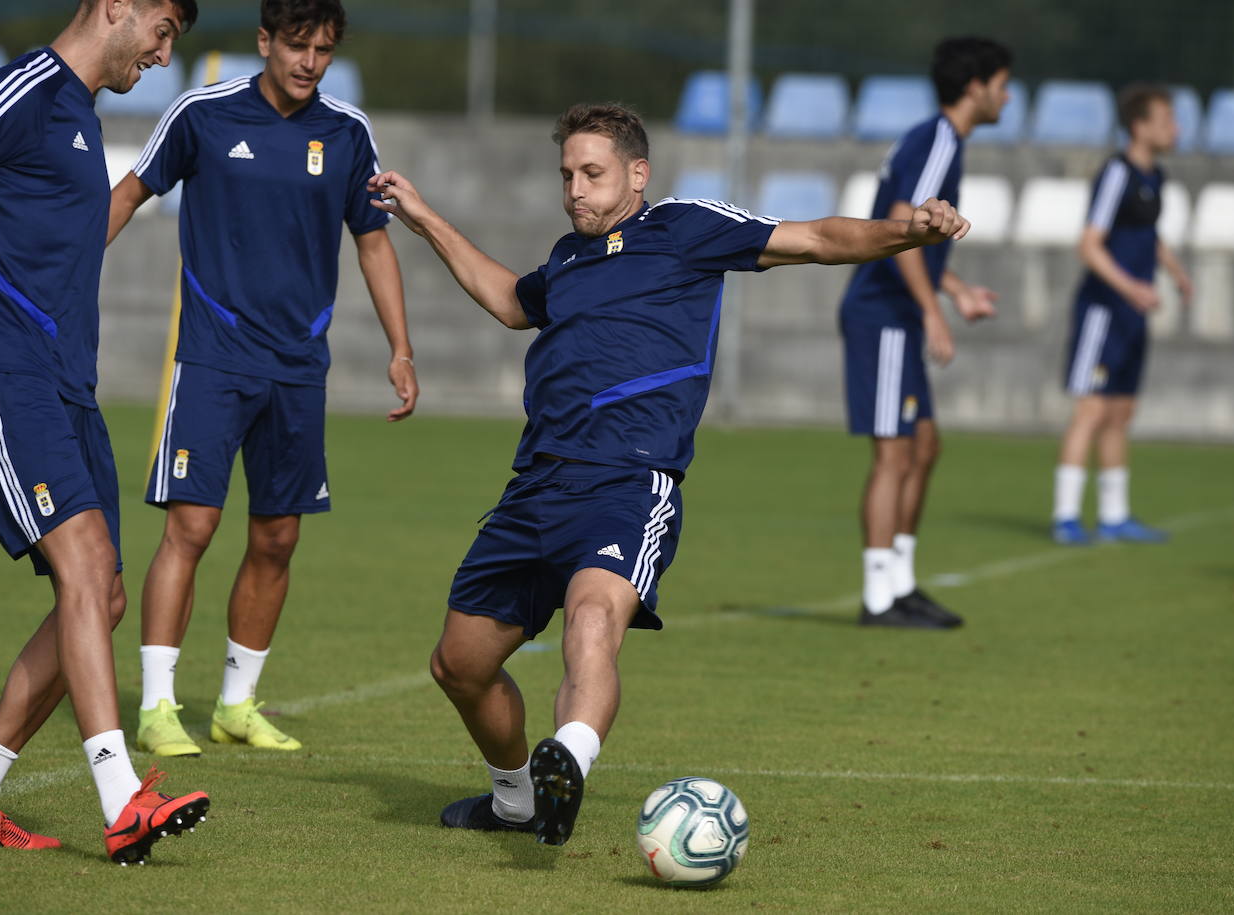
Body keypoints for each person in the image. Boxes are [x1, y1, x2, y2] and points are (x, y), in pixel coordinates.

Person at [370, 102, 969, 846]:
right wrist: (424, 217)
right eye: (567, 175)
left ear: (637, 174)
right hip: (535, 486)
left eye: (592, 174)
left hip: (628, 480)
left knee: (593, 621)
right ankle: (518, 799)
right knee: (458, 663)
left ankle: (571, 759)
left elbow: (816, 237)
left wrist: (908, 231)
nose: (575, 190)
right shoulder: (566, 257)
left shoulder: (683, 228)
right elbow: (508, 301)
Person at [0, 0, 208, 865]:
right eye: (161, 29)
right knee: (81, 565)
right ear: (115, 7)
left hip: (70, 390)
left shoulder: (82, 114)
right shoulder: (25, 88)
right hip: (3, 375)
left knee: (103, 595)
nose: (162, 51)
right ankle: (122, 799)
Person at [106, 0, 417, 758]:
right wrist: (64, 273)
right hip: (212, 358)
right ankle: (155, 707)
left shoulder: (347, 133)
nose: (309, 62)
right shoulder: (200, 114)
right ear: (264, 42)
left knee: (277, 535)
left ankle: (237, 704)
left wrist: (400, 349)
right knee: (192, 526)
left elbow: (373, 243)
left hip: (299, 368)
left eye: (323, 50)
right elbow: (128, 193)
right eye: (297, 46)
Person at [837, 37, 1011, 629]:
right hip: (882, 314)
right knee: (893, 454)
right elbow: (908, 225)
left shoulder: (937, 139)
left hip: (898, 313)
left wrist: (954, 288)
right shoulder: (939, 138)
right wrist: (933, 311)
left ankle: (902, 583)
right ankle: (879, 597)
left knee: (925, 447)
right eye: (1002, 83)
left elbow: (913, 234)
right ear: (976, 87)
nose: (1007, 95)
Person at [1051, 84, 1190, 544]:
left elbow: (1149, 235)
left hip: (1132, 313)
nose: (1176, 129)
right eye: (1167, 120)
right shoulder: (1116, 173)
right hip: (1103, 311)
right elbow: (1089, 245)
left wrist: (1174, 272)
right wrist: (1131, 286)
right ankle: (1066, 515)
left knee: (1121, 412)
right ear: (1140, 126)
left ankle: (1114, 516)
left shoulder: (1157, 177)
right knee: (1090, 410)